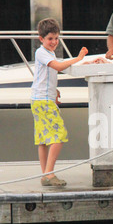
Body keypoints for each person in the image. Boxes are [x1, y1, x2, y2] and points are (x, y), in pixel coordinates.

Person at [31, 18, 88, 187]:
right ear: (41, 39)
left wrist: (54, 92)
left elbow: (45, 76)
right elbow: (58, 67)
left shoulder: (49, 52)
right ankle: (49, 174)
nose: (54, 42)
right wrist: (78, 58)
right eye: (50, 39)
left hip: (40, 98)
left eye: (56, 38)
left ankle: (45, 174)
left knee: (43, 138)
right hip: (43, 101)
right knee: (59, 136)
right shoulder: (42, 52)